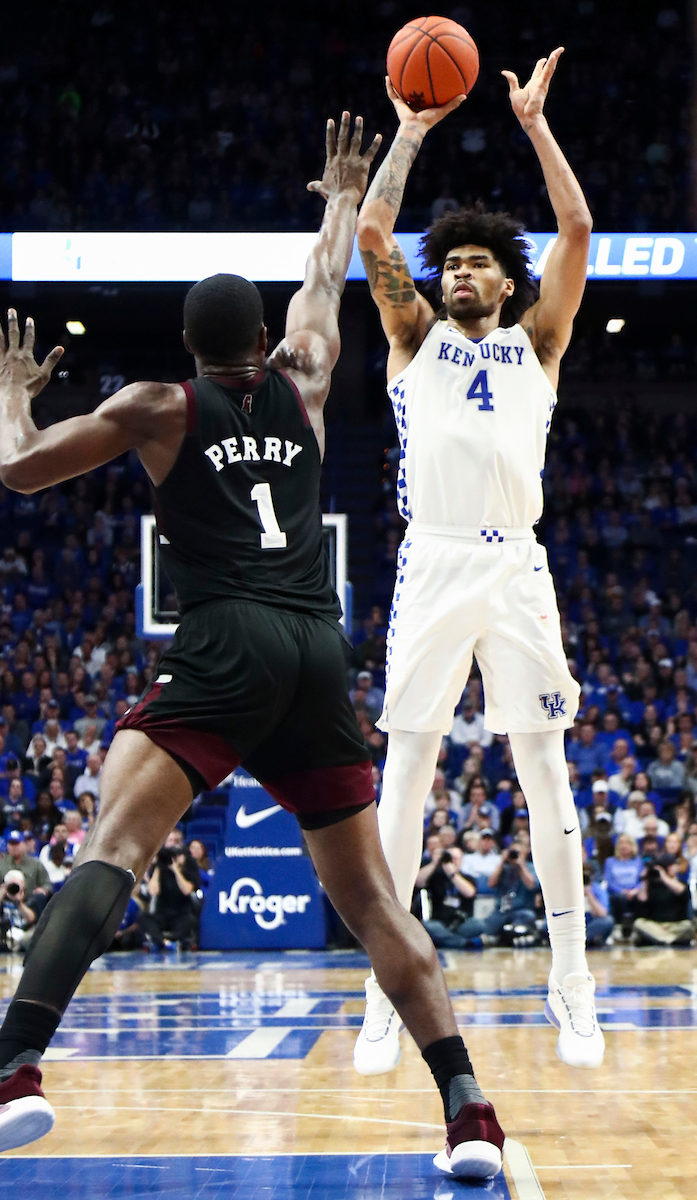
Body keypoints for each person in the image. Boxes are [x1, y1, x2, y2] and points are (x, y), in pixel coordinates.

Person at [0, 113, 505, 1191]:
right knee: (372, 902)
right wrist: (335, 198)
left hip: (223, 640)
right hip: (317, 649)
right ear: (261, 341)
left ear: (189, 348)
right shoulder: (310, 375)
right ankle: (469, 1113)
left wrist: (8, 397)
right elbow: (321, 284)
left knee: (110, 851)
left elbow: (23, 470)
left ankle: (8, 1076)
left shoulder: (156, 407)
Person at [353, 48, 603, 1073]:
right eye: (447, 261)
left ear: (505, 279)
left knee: (544, 774)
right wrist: (412, 127)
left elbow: (577, 232)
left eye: (473, 263)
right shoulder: (410, 334)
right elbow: (373, 234)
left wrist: (532, 124)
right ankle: (384, 997)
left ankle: (571, 984)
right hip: (434, 562)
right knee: (402, 778)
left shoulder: (538, 340)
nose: (456, 272)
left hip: (515, 569)